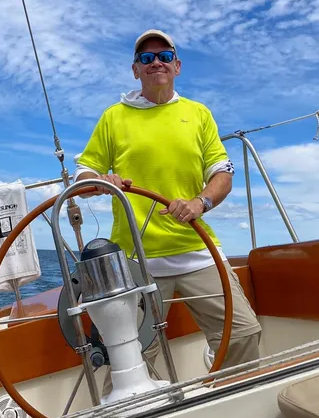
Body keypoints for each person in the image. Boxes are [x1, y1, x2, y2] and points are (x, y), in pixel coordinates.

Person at [73, 29, 262, 389]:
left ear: (176, 66)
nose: (155, 62)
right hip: (137, 260)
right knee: (134, 359)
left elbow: (221, 172)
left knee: (243, 334)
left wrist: (199, 202)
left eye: (163, 56)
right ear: (135, 70)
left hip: (198, 250)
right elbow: (83, 172)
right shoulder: (114, 117)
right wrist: (100, 181)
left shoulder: (198, 114)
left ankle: (226, 400)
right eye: (146, 58)